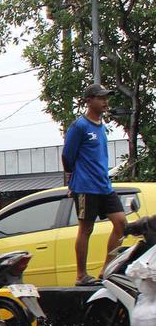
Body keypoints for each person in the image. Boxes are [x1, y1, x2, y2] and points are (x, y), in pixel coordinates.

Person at [63, 83, 126, 286]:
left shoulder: (101, 127)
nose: (105, 101)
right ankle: (81, 275)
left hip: (104, 185)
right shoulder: (79, 126)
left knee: (121, 224)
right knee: (86, 229)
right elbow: (67, 156)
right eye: (101, 98)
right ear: (89, 101)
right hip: (85, 186)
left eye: (106, 98)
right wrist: (76, 177)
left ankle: (107, 270)